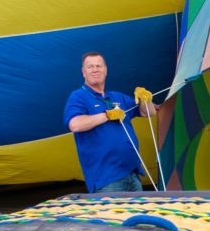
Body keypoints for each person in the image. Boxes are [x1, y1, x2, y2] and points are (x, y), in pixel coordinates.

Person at [64, 51, 157, 193]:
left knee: (138, 215)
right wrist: (107, 115)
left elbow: (149, 113)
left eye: (99, 66)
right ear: (84, 72)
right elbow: (75, 124)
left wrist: (146, 99)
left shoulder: (117, 96)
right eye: (90, 67)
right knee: (114, 216)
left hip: (132, 173)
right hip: (106, 179)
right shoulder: (78, 97)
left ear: (105, 70)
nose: (95, 69)